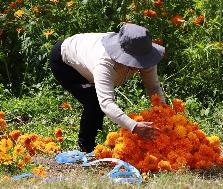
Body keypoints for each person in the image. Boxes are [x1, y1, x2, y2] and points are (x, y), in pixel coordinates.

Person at [49, 23, 165, 153]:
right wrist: (134, 126)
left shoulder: (145, 53)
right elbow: (106, 103)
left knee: (96, 105)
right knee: (94, 102)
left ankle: (93, 144)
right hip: (65, 61)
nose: (139, 65)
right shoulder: (104, 63)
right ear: (124, 54)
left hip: (86, 56)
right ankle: (86, 148)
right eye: (135, 60)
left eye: (142, 60)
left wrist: (164, 114)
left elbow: (153, 88)